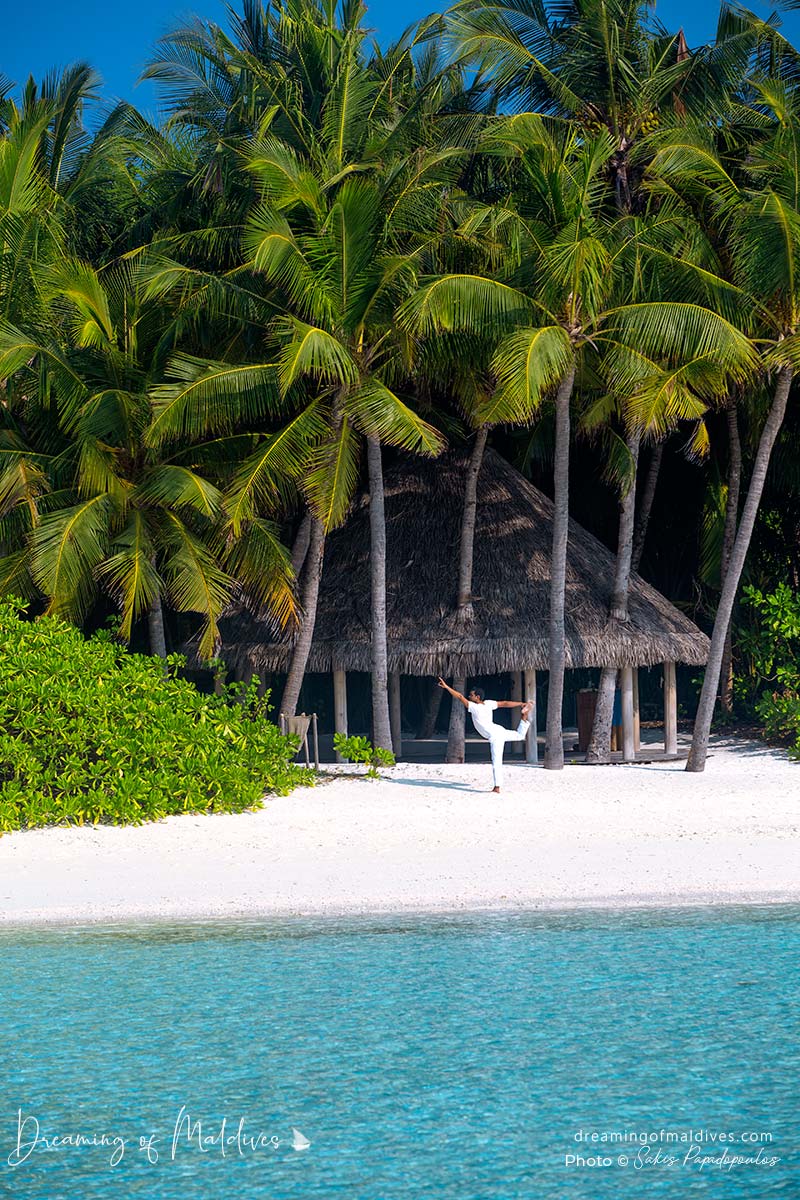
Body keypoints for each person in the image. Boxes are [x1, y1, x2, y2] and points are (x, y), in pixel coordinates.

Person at [437, 678, 534, 793]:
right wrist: (521, 704)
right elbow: (504, 703)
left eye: (471, 695)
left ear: (477, 697)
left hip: (495, 735)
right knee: (519, 735)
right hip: (499, 730)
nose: (469, 696)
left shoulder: (475, 707)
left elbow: (459, 697)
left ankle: (497, 787)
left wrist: (447, 687)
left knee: (496, 760)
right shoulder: (488, 703)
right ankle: (524, 715)